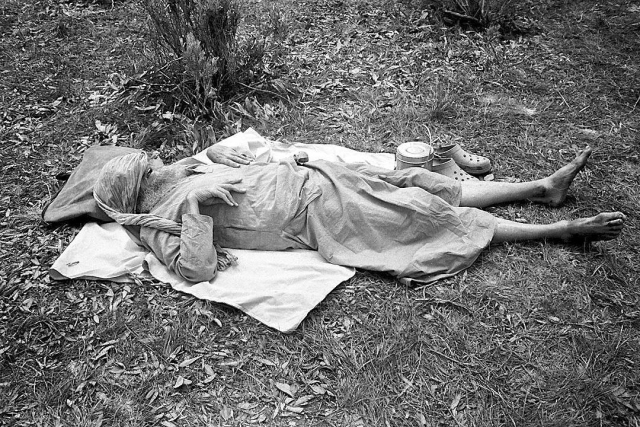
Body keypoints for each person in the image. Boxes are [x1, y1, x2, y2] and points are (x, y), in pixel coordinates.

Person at [93, 145, 626, 284]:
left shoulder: (181, 173)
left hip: (318, 177)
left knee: (416, 181)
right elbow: (197, 268)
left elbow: (213, 162)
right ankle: (557, 230)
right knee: (420, 215)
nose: (160, 161)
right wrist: (195, 205)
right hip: (316, 213)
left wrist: (225, 161)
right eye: (150, 165)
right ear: (141, 187)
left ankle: (541, 188)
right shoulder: (160, 218)